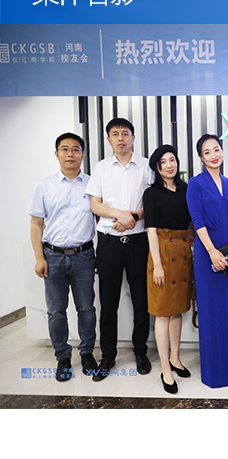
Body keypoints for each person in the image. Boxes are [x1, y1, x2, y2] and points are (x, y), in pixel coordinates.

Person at [86, 118, 154, 381]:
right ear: (108, 140)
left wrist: (133, 217)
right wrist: (120, 215)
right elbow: (95, 205)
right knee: (108, 303)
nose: (121, 138)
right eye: (115, 134)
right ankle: (108, 355)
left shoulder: (146, 166)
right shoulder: (101, 168)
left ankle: (140, 352)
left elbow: (153, 201)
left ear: (133, 137)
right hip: (109, 244)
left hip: (139, 243)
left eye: (125, 133)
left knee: (141, 302)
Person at [27, 133, 97, 382]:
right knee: (56, 311)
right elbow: (36, 224)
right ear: (56, 154)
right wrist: (39, 258)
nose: (70, 154)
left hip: (84, 255)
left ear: (83, 155)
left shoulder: (92, 185)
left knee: (86, 309)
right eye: (65, 149)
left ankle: (87, 353)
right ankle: (63, 357)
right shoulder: (44, 185)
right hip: (53, 256)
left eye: (75, 149)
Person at [186, 134, 228, 388]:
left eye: (217, 149)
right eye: (207, 152)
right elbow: (197, 219)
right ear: (201, 158)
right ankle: (215, 371)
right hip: (207, 255)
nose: (214, 155)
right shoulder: (195, 184)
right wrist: (211, 251)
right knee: (212, 313)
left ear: (222, 152)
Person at [144, 145, 193, 394]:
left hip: (183, 253)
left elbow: (192, 222)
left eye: (172, 160)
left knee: (177, 311)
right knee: (162, 312)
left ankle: (175, 358)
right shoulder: (151, 193)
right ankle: (165, 366)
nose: (169, 165)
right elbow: (151, 231)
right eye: (163, 162)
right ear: (157, 167)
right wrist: (157, 266)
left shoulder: (186, 189)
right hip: (161, 253)